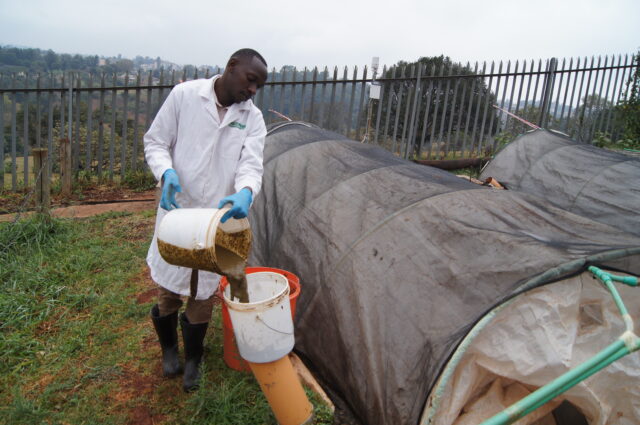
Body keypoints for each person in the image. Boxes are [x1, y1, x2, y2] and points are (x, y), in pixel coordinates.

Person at [143, 48, 268, 392]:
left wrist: (245, 191)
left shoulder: (252, 118)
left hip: (217, 217)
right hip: (178, 210)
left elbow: (251, 164)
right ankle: (169, 350)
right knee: (169, 287)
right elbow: (155, 141)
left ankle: (193, 360)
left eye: (259, 86)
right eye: (251, 80)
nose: (253, 90)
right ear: (231, 67)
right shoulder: (185, 96)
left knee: (203, 291)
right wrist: (166, 172)